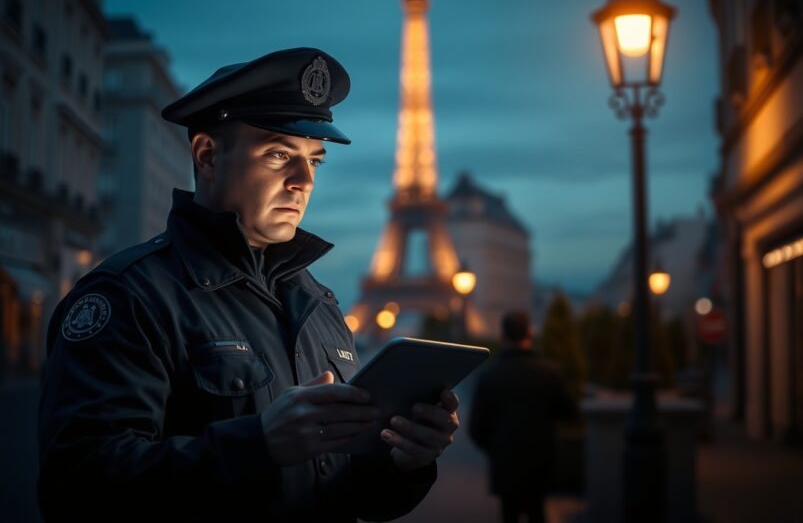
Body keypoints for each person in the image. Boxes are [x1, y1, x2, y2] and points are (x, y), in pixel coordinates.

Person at [37, 48, 460, 522]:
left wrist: (406, 461)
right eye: (279, 154)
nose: (303, 181)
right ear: (208, 155)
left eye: (314, 161)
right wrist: (258, 444)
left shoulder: (319, 305)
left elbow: (351, 495)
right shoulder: (128, 297)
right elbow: (75, 487)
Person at [469, 311, 577, 523]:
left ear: (503, 336)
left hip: (505, 462)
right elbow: (570, 414)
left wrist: (495, 448)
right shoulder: (550, 372)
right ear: (529, 333)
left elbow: (476, 428)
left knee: (509, 513)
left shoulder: (489, 375)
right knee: (538, 512)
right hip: (540, 461)